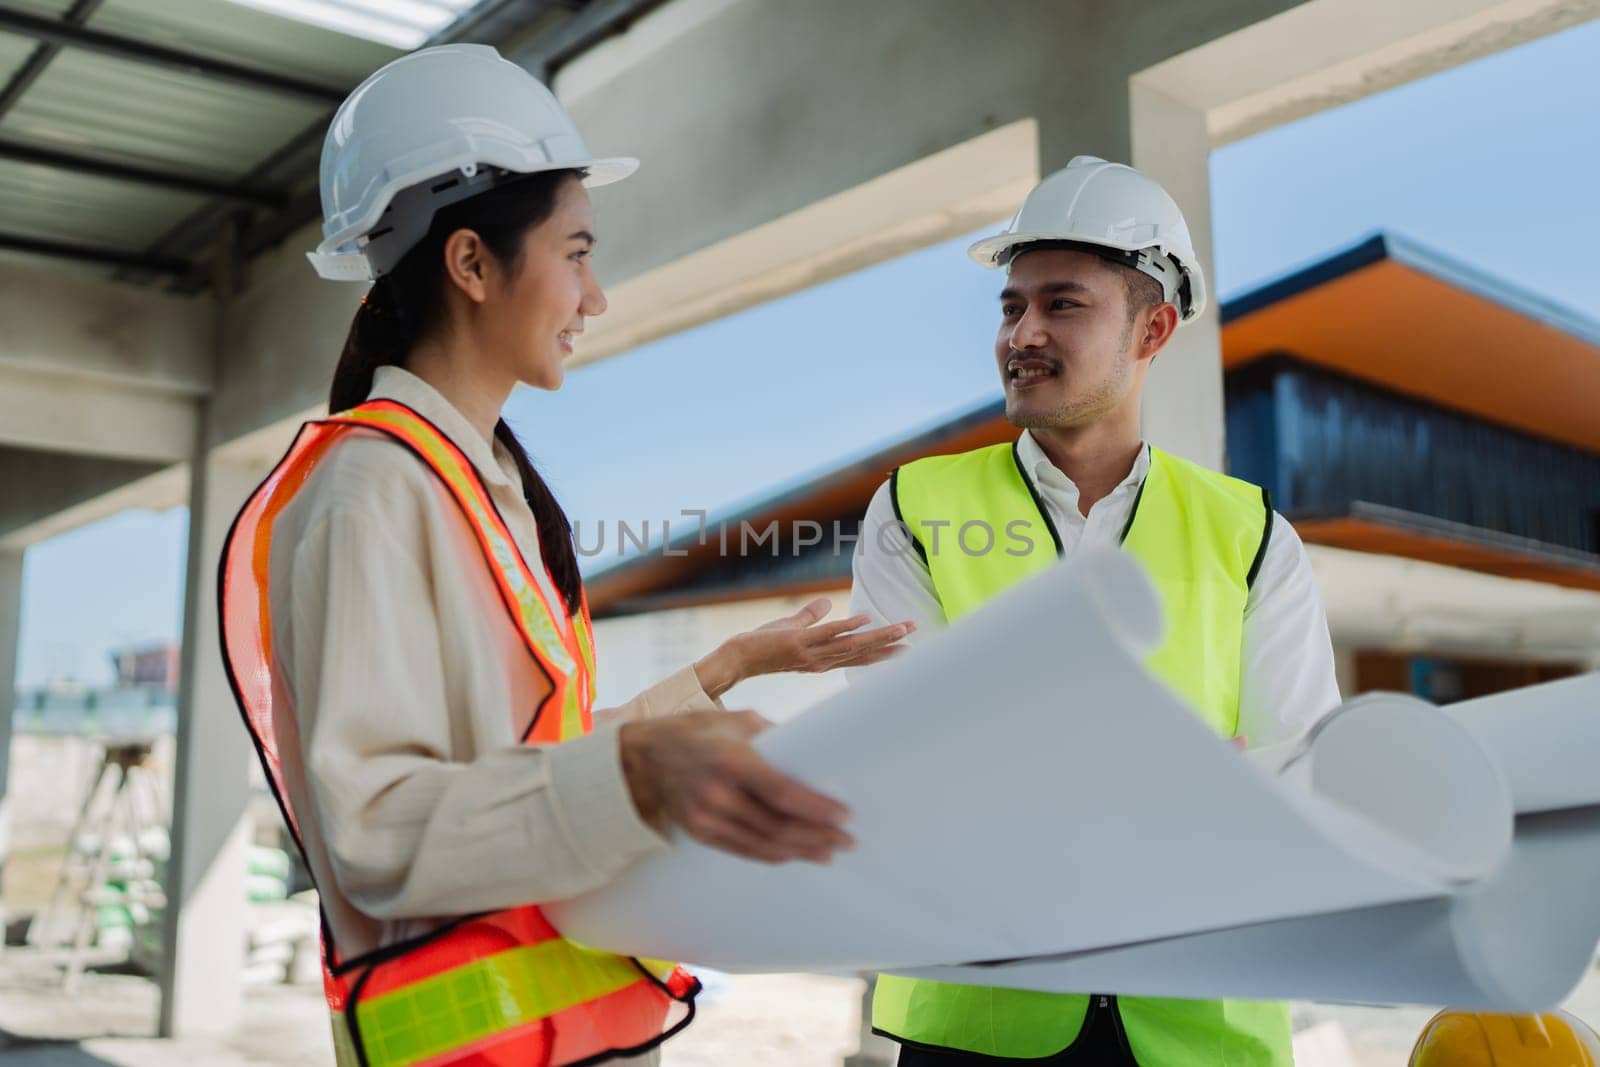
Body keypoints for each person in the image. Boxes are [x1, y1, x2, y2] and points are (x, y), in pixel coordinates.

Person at [217, 45, 910, 1067]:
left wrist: (728, 667)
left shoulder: (472, 483)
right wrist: (634, 772)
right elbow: (371, 829)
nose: (596, 297)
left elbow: (534, 764)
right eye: (577, 252)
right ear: (469, 263)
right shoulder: (371, 490)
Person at [849, 156, 1342, 1066]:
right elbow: (905, 760)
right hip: (983, 1012)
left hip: (1205, 1021)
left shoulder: (1250, 533)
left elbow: (1301, 776)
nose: (1022, 333)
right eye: (1011, 306)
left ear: (1152, 328)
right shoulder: (913, 509)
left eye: (1062, 305)